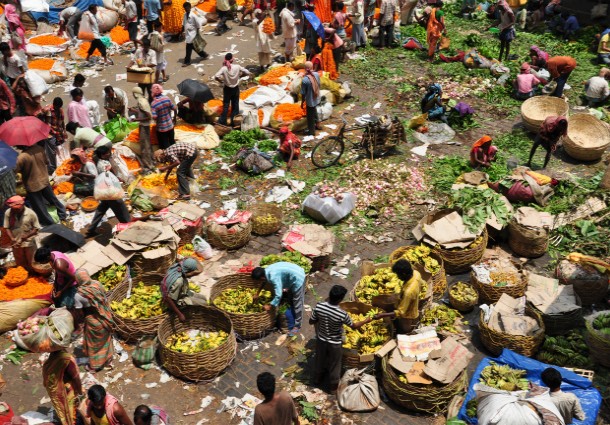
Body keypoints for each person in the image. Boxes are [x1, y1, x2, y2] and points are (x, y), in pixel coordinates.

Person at [309, 285, 374, 392]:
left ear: (329, 295)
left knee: (319, 359)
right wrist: (366, 321)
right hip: (334, 343)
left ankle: (317, 379)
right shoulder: (342, 314)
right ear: (340, 299)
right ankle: (333, 388)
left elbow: (311, 321)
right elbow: (354, 326)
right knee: (335, 365)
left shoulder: (319, 306)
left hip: (321, 340)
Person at [72, 269, 115, 371]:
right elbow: (104, 296)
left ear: (78, 280)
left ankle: (95, 365)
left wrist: (78, 324)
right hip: (105, 317)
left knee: (94, 345)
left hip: (93, 321)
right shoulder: (97, 284)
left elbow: (79, 312)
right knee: (105, 340)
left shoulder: (79, 294)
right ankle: (108, 359)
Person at [15, 144, 67, 226]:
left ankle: (50, 223)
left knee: (40, 207)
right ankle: (62, 214)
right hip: (44, 180)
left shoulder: (21, 157)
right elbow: (46, 162)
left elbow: (15, 170)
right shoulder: (39, 148)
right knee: (53, 199)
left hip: (32, 185)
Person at [86, 146, 131, 238]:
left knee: (101, 209)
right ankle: (128, 226)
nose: (109, 154)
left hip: (103, 191)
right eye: (107, 153)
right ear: (102, 155)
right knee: (120, 208)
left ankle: (91, 229)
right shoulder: (104, 165)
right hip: (110, 191)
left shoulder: (99, 162)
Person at [252, 262, 306, 337]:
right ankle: (292, 315)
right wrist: (258, 293)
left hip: (298, 278)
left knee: (297, 303)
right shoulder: (266, 271)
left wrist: (270, 305)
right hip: (293, 273)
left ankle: (297, 325)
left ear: (262, 277)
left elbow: (278, 294)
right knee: (291, 299)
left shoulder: (273, 277)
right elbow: (264, 282)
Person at [373, 260, 425, 332]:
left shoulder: (409, 292)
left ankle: (405, 332)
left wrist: (382, 315)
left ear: (404, 274)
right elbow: (422, 284)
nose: (397, 277)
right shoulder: (416, 274)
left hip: (407, 316)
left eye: (398, 274)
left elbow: (401, 312)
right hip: (409, 304)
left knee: (405, 329)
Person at [42, 350, 83, 425]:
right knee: (71, 412)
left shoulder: (49, 361)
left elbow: (46, 381)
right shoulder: (67, 359)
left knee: (63, 411)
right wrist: (80, 390)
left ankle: (66, 422)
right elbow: (75, 376)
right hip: (68, 390)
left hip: (57, 393)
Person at [161, 257, 206, 322]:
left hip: (183, 292)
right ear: (189, 272)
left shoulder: (179, 266)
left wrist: (194, 258)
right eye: (192, 273)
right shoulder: (178, 282)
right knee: (203, 303)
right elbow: (168, 298)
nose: (193, 275)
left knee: (203, 297)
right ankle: (188, 312)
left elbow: (200, 270)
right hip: (177, 300)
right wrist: (179, 314)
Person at [3, 196, 40, 273]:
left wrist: (26, 236)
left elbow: (36, 229)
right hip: (15, 241)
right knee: (20, 260)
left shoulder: (30, 213)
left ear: (22, 205)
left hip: (29, 241)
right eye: (13, 209)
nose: (15, 211)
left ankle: (33, 274)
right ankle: (23, 274)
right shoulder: (8, 213)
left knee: (31, 260)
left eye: (17, 209)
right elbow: (7, 227)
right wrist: (12, 238)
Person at [214, 53, 251, 126]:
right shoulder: (237, 67)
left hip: (227, 89)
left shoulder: (224, 68)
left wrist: (220, 81)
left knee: (226, 105)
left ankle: (222, 121)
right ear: (232, 60)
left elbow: (216, 76)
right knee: (235, 105)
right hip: (235, 88)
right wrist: (240, 76)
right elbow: (247, 72)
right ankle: (234, 121)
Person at [128, 87, 154, 171]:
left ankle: (148, 165)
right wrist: (133, 110)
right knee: (147, 144)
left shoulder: (140, 102)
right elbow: (142, 112)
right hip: (145, 125)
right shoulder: (144, 100)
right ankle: (151, 161)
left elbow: (148, 116)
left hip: (144, 126)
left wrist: (136, 119)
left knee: (144, 146)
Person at [41, 97, 68, 171]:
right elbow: (40, 116)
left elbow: (62, 122)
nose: (57, 109)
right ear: (54, 104)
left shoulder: (60, 111)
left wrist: (64, 132)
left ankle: (60, 165)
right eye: (56, 107)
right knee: (51, 153)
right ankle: (52, 169)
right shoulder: (47, 110)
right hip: (50, 134)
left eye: (59, 107)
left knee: (60, 150)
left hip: (58, 133)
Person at [182, 2, 209, 67]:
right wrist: (182, 31)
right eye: (185, 8)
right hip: (188, 33)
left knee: (188, 47)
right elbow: (183, 23)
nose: (186, 9)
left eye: (187, 8)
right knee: (193, 46)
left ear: (190, 7)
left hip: (193, 33)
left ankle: (187, 61)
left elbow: (198, 24)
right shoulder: (184, 15)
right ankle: (204, 54)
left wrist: (197, 32)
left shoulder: (193, 15)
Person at [150, 84, 177, 149]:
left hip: (161, 129)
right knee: (172, 142)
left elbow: (155, 117)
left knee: (164, 146)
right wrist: (174, 118)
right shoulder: (167, 98)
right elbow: (175, 108)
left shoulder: (154, 103)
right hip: (170, 126)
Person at [301, 61, 321, 136]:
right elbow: (319, 84)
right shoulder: (316, 74)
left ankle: (311, 131)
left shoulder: (305, 80)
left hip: (310, 100)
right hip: (317, 97)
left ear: (304, 69)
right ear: (312, 67)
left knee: (310, 117)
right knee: (314, 110)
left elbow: (303, 93)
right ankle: (318, 124)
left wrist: (302, 102)